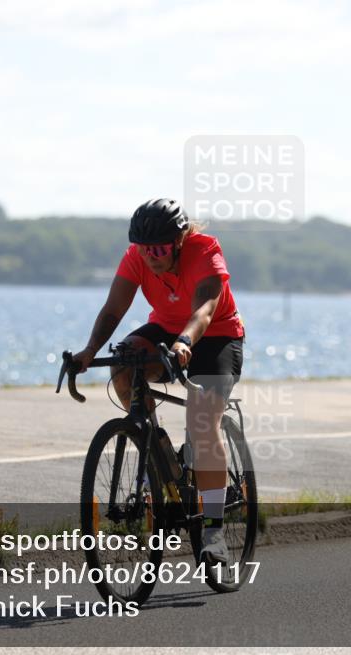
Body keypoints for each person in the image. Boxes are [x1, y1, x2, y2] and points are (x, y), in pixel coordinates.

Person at [72, 198, 245, 565]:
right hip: (166, 329)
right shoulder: (136, 257)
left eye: (161, 248)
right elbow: (114, 309)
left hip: (215, 335)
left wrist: (185, 342)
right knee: (122, 364)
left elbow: (205, 309)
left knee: (202, 422)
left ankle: (213, 529)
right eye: (145, 249)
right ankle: (157, 454)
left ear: (180, 239)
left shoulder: (205, 251)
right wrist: (89, 350)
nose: (152, 256)